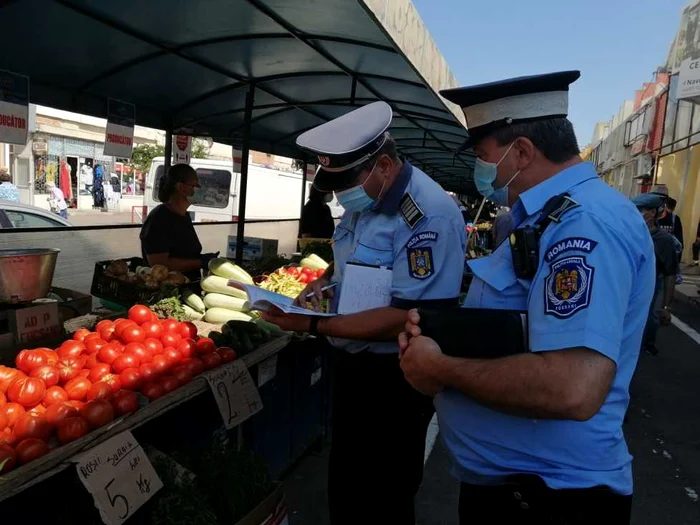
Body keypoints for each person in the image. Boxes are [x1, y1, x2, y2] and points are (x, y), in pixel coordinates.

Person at [397, 71, 655, 524]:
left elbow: (571, 387)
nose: (482, 172)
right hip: (521, 489)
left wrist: (440, 369)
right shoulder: (547, 218)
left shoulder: (584, 225)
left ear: (521, 152)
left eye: (483, 157)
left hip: (548, 499)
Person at [263, 101, 467, 525]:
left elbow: (409, 315)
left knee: (385, 493)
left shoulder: (428, 216)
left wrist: (313, 324)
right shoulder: (365, 200)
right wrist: (324, 285)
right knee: (347, 482)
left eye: (346, 184)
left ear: (385, 166)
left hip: (397, 376)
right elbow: (351, 263)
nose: (341, 197)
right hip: (353, 363)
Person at [140, 164, 217, 282]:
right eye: (195, 185)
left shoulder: (184, 215)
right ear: (181, 187)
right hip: (168, 290)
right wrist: (200, 262)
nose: (200, 189)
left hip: (188, 285)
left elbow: (185, 253)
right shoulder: (160, 218)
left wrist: (203, 260)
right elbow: (159, 266)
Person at [632, 193, 678, 356]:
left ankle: (646, 344)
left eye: (640, 210)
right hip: (627, 284)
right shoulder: (628, 232)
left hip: (650, 286)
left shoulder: (664, 240)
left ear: (652, 213)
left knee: (650, 318)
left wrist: (666, 307)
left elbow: (670, 273)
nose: (635, 213)